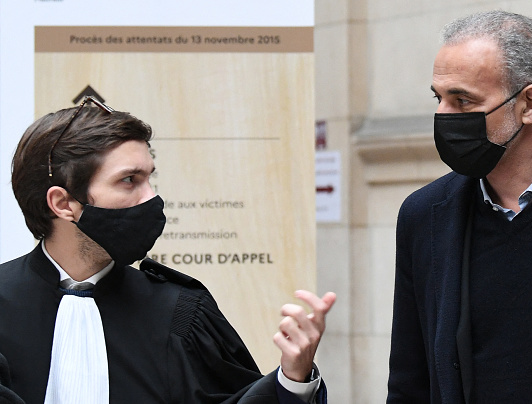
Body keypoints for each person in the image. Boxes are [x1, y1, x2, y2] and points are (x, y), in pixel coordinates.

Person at [0, 96, 336, 404]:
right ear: (63, 203)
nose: (152, 199)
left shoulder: (182, 312)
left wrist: (293, 378)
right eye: (129, 180)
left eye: (150, 178)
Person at [387, 10, 532, 404]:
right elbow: (408, 383)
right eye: (439, 98)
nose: (442, 117)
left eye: (462, 100)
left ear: (530, 104)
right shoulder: (423, 215)